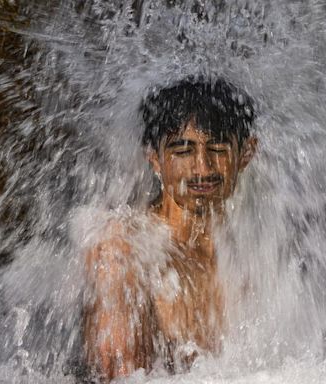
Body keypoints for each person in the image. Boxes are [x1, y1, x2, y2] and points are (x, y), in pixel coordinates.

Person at [83, 77, 257, 382]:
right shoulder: (124, 249)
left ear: (245, 153)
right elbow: (120, 377)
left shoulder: (258, 251)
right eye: (183, 151)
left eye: (217, 148)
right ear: (154, 158)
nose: (202, 168)